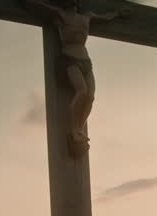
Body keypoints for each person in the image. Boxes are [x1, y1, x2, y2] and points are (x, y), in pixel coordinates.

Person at [24, 0, 129, 144]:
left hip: (86, 60)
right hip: (69, 58)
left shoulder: (87, 16)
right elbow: (41, 6)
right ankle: (74, 130)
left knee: (90, 97)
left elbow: (105, 17)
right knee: (82, 91)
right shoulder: (61, 14)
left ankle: (80, 128)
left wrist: (118, 14)